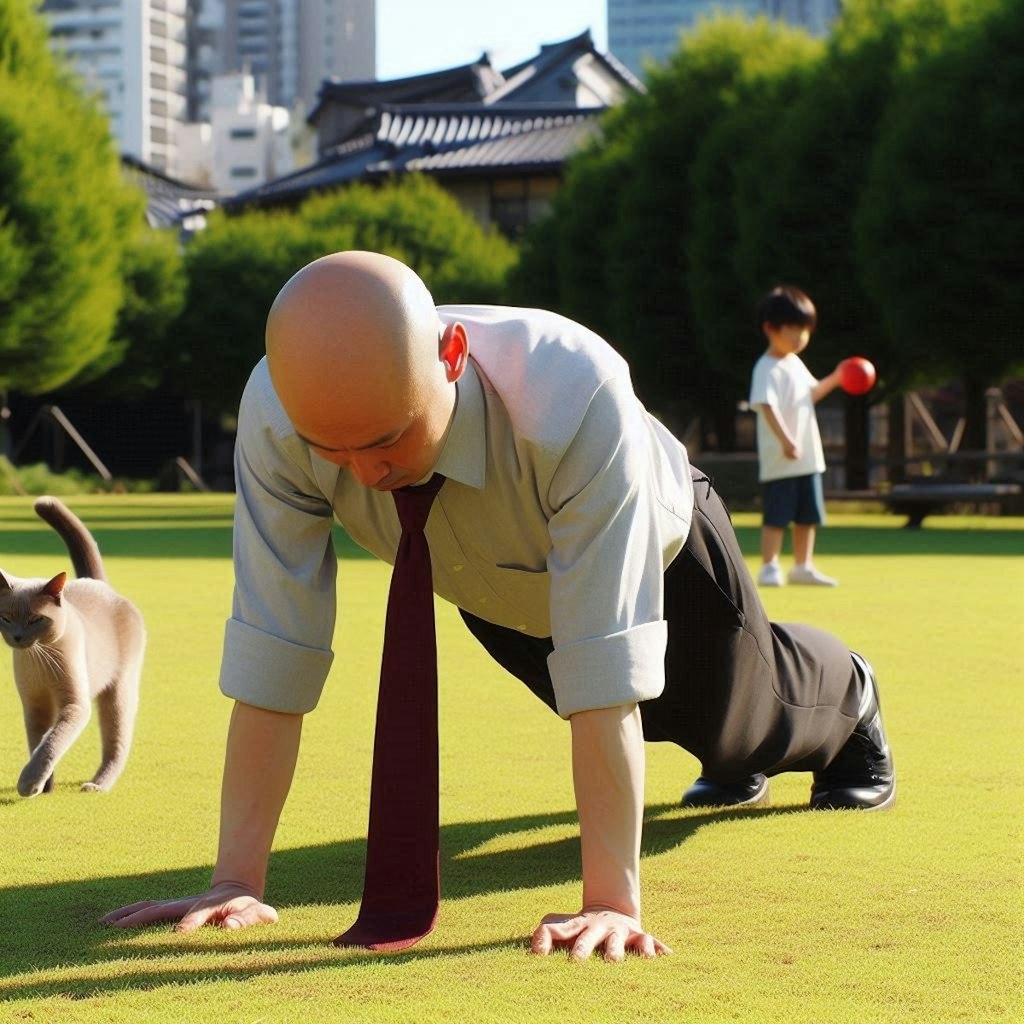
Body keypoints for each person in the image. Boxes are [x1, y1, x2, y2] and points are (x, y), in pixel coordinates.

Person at [102, 252, 894, 962]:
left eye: (386, 439)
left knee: (744, 730)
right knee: (650, 724)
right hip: (491, 590)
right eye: (329, 450)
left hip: (666, 549)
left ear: (451, 356)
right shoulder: (278, 413)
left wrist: (611, 904)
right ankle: (733, 760)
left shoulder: (573, 393)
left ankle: (851, 693)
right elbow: (276, 645)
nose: (363, 474)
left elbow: (604, 660)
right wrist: (233, 877)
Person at [749, 286, 843, 588]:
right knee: (777, 515)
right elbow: (766, 405)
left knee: (807, 516)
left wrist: (838, 378)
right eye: (792, 330)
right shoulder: (766, 367)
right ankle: (769, 566)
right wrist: (787, 440)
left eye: (804, 331)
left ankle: (803, 566)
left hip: (808, 457)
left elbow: (810, 394)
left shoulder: (794, 364)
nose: (799, 338)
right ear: (770, 328)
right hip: (782, 459)